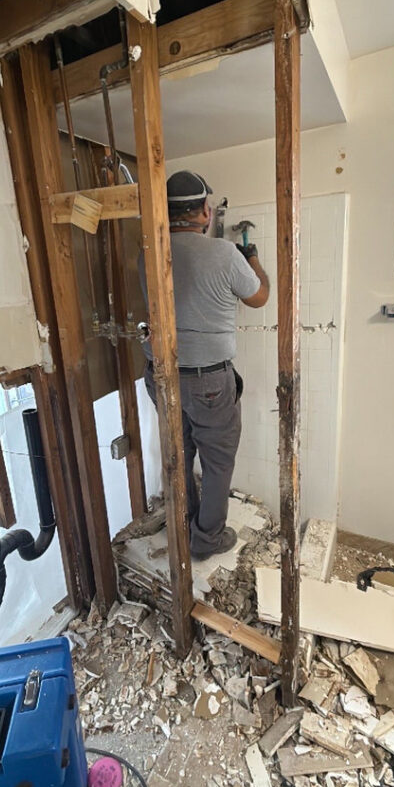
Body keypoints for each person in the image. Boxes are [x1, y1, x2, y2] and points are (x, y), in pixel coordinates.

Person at [140, 170, 269, 561]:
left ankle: (185, 525)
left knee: (179, 454)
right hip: (208, 381)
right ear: (204, 211)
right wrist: (253, 258)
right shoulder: (225, 254)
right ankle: (205, 540)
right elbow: (259, 297)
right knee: (217, 462)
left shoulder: (150, 252)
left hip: (161, 377)